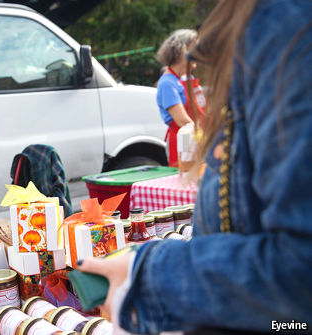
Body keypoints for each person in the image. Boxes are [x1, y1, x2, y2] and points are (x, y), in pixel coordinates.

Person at [78, 0, 312, 333]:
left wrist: (149, 276)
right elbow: (184, 118)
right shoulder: (172, 80)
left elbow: (298, 269)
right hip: (181, 135)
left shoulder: (283, 23)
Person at [155, 29, 206, 167]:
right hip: (182, 144)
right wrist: (205, 139)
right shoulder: (167, 83)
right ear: (181, 52)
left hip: (194, 139)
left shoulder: (184, 79)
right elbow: (183, 121)